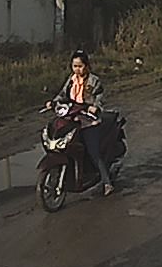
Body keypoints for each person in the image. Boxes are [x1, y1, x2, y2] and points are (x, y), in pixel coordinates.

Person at [45, 49, 113, 196]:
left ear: (87, 66)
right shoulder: (71, 79)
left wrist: (95, 107)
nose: (77, 69)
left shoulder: (94, 81)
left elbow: (100, 98)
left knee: (93, 151)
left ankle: (107, 182)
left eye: (80, 66)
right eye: (74, 66)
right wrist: (53, 102)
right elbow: (62, 94)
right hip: (72, 117)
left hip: (89, 120)